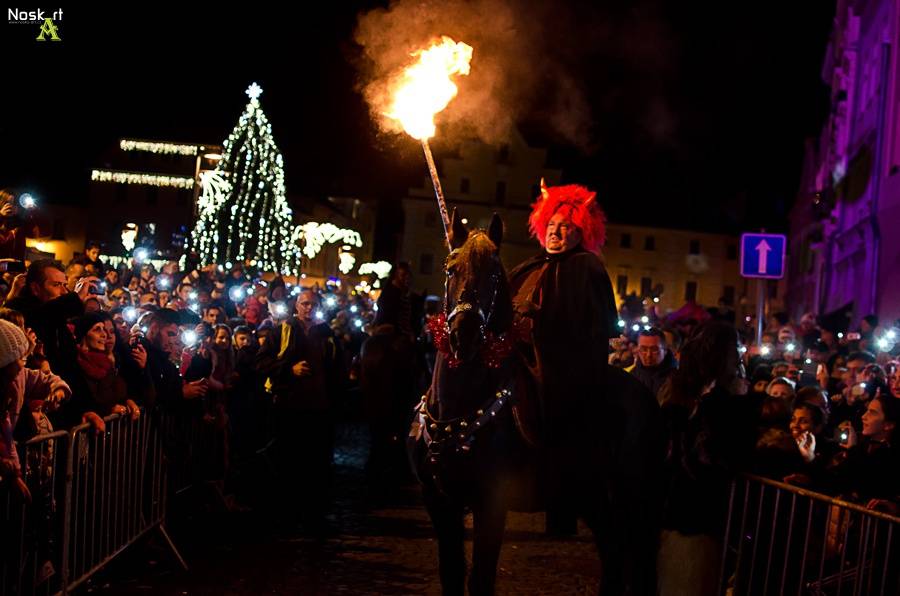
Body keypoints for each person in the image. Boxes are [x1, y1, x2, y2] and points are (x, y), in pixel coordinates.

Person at [508, 181, 656, 594]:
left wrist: (545, 327)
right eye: (551, 226)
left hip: (567, 366)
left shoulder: (587, 268)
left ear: (581, 232)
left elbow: (592, 330)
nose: (556, 233)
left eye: (566, 227)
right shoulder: (528, 266)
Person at [255, 289, 341, 534]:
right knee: (288, 462)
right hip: (289, 407)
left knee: (315, 464)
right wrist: (288, 370)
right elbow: (261, 362)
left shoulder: (326, 334)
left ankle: (312, 514)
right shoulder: (282, 331)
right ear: (296, 305)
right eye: (304, 304)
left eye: (313, 304)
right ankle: (287, 514)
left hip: (319, 409)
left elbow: (337, 370)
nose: (308, 308)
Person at [632, 327, 676, 400]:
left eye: (654, 349)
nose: (648, 355)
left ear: (665, 350)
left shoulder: (676, 379)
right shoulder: (632, 375)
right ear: (638, 350)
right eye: (644, 349)